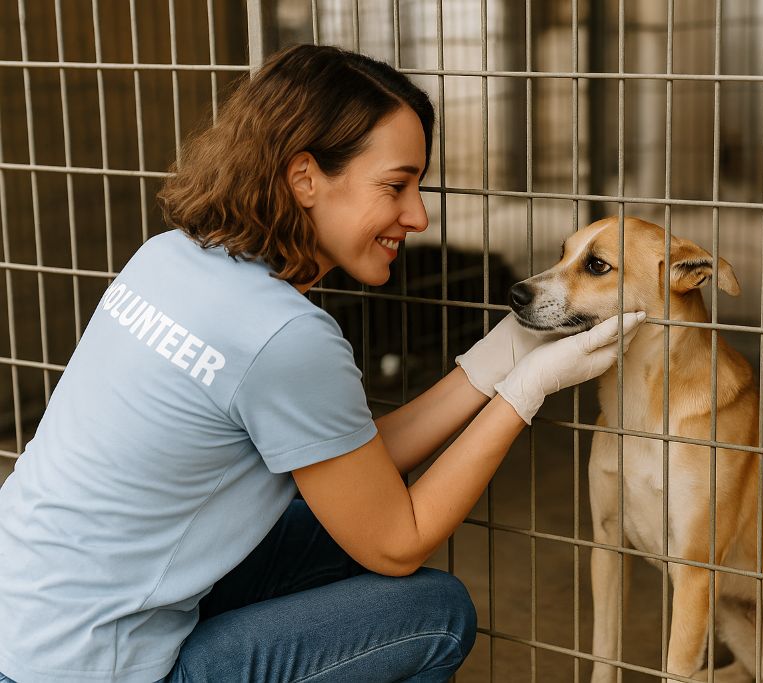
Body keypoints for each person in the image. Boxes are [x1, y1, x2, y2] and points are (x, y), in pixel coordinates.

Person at [0, 44, 644, 683]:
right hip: (88, 669)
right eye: (396, 185)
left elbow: (348, 456)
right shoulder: (284, 335)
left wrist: (499, 355)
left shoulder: (167, 256)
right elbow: (396, 541)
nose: (418, 216)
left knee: (324, 517)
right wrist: (523, 393)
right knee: (435, 613)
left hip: (24, 623)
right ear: (305, 177)